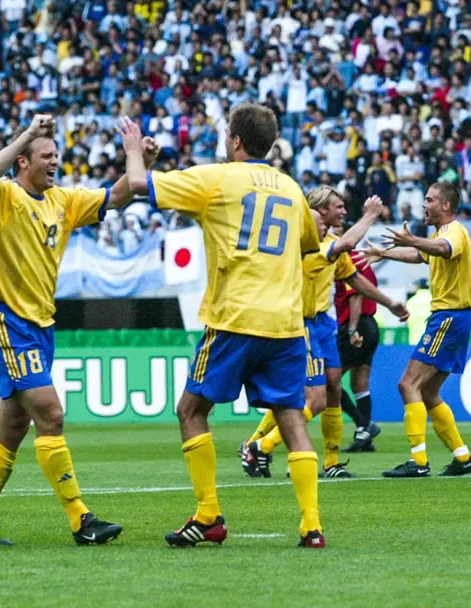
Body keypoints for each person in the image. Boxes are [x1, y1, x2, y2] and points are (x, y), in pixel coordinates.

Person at [122, 104, 327, 548]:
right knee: (291, 418)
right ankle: (312, 526)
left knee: (190, 410)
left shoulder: (218, 177)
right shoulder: (292, 190)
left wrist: (134, 150)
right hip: (287, 325)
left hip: (235, 317)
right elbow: (311, 242)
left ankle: (209, 514)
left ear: (235, 141)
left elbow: (139, 185)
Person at [0, 113, 140, 546]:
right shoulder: (4, 199)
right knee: (51, 416)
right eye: (45, 155)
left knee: (12, 431)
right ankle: (81, 520)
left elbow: (120, 194)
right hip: (9, 322)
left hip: (41, 326)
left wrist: (137, 155)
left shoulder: (63, 200)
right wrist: (27, 134)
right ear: (23, 161)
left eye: (57, 155)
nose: (54, 162)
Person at [240, 191, 407, 478]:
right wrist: (371, 214)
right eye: (338, 207)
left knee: (333, 389)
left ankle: (330, 462)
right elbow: (348, 243)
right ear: (317, 211)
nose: (342, 212)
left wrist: (389, 303)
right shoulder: (303, 246)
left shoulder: (330, 243)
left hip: (324, 325)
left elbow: (353, 279)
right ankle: (261, 446)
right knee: (313, 400)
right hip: (299, 325)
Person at [362, 182, 471, 478]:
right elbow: (421, 256)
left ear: (445, 206)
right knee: (427, 392)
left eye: (429, 200)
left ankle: (419, 461)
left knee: (407, 384)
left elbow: (441, 249)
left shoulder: (454, 232)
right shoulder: (440, 234)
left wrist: (412, 239)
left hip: (449, 317)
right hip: (453, 318)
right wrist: (385, 253)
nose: (423, 205)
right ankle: (462, 457)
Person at [338, 249, 383, 453]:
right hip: (370, 325)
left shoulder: (348, 260)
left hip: (356, 325)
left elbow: (355, 296)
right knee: (359, 382)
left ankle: (363, 424)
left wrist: (352, 329)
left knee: (328, 380)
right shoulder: (360, 258)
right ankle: (364, 436)